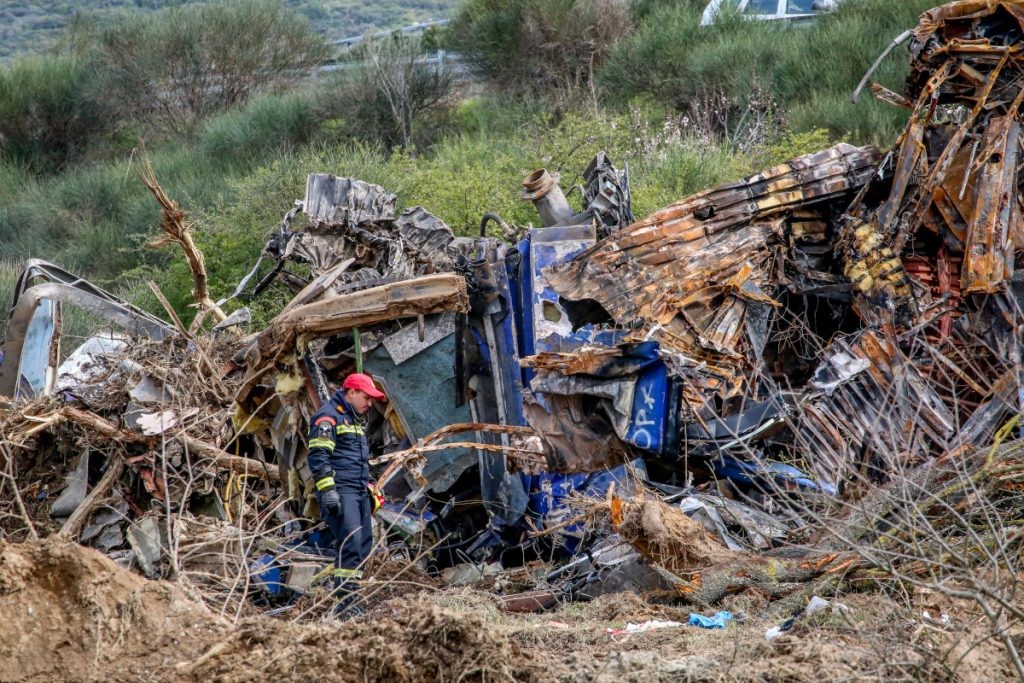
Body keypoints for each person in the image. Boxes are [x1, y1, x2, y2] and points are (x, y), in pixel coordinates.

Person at [306, 372, 386, 617]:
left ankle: (351, 595)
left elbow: (357, 460)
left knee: (363, 542)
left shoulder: (352, 420)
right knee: (350, 541)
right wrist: (328, 490)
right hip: (341, 492)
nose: (369, 403)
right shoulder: (328, 418)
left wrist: (370, 486)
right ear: (351, 392)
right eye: (366, 397)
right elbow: (318, 457)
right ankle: (345, 603)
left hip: (358, 491)